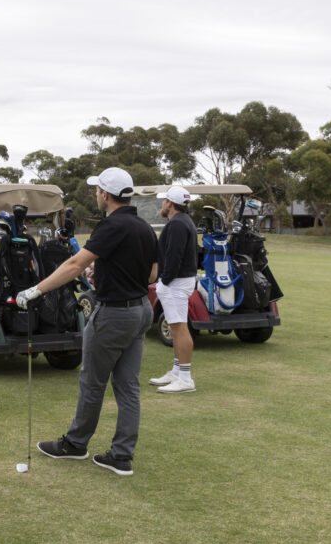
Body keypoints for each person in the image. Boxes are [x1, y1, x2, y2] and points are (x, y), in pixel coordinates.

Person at [17, 167, 157, 476]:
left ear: (106, 195)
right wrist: (109, 271)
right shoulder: (144, 227)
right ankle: (121, 456)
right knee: (128, 386)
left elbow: (74, 264)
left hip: (114, 314)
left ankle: (75, 444)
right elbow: (151, 275)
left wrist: (36, 290)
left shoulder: (111, 225)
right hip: (141, 311)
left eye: (97, 191)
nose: (96, 195)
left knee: (93, 382)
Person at [149, 185, 199, 394]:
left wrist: (164, 281)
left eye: (164, 200)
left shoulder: (178, 223)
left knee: (179, 328)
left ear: (170, 203)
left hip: (176, 282)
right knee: (177, 327)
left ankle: (185, 378)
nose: (162, 204)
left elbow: (174, 256)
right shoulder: (183, 221)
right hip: (179, 282)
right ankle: (177, 372)